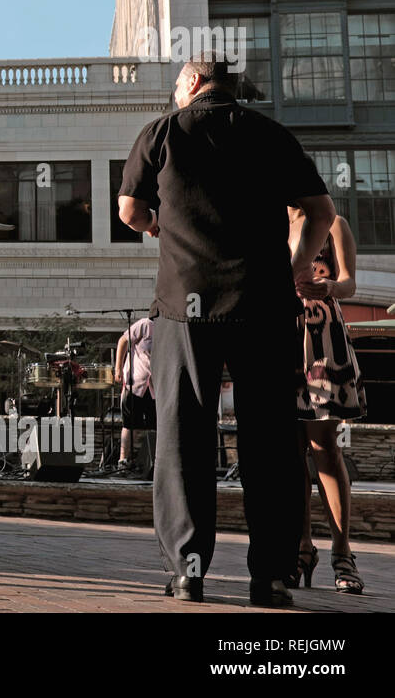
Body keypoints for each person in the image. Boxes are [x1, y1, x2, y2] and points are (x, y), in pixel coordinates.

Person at [119, 53, 336, 608]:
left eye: (176, 84)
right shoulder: (270, 133)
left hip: (183, 307)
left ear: (192, 82)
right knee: (270, 440)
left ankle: (189, 572)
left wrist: (156, 225)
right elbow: (320, 211)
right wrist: (293, 268)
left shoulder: (161, 133)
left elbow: (128, 211)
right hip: (262, 304)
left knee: (184, 437)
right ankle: (271, 576)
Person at [288, 203, 366, 594]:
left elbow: (350, 283)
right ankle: (301, 550)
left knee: (324, 447)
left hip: (322, 340)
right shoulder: (267, 224)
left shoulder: (333, 221)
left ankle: (342, 552)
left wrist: (330, 287)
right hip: (279, 338)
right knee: (290, 450)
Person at [105, 317, 154, 480]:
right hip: (136, 381)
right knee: (130, 423)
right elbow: (123, 340)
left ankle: (155, 462)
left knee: (156, 424)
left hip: (156, 386)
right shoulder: (145, 324)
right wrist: (118, 368)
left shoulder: (170, 328)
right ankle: (123, 461)